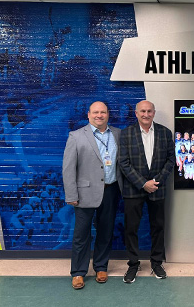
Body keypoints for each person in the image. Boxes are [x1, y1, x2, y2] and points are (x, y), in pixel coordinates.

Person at [62, 101, 122, 290]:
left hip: (111, 190)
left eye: (103, 112)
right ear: (88, 115)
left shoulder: (118, 134)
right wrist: (71, 194)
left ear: (108, 114)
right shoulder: (76, 136)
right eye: (95, 112)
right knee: (81, 235)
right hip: (84, 192)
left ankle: (101, 267)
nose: (99, 115)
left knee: (106, 231)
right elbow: (68, 168)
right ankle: (78, 272)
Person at [119, 100, 175, 283]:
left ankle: (156, 263)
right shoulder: (126, 134)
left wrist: (155, 182)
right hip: (133, 189)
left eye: (149, 111)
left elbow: (170, 160)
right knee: (131, 228)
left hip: (157, 189)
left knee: (158, 227)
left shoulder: (165, 133)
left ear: (154, 112)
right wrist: (143, 183)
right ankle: (133, 264)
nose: (146, 114)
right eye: (142, 111)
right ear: (136, 113)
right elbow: (124, 163)